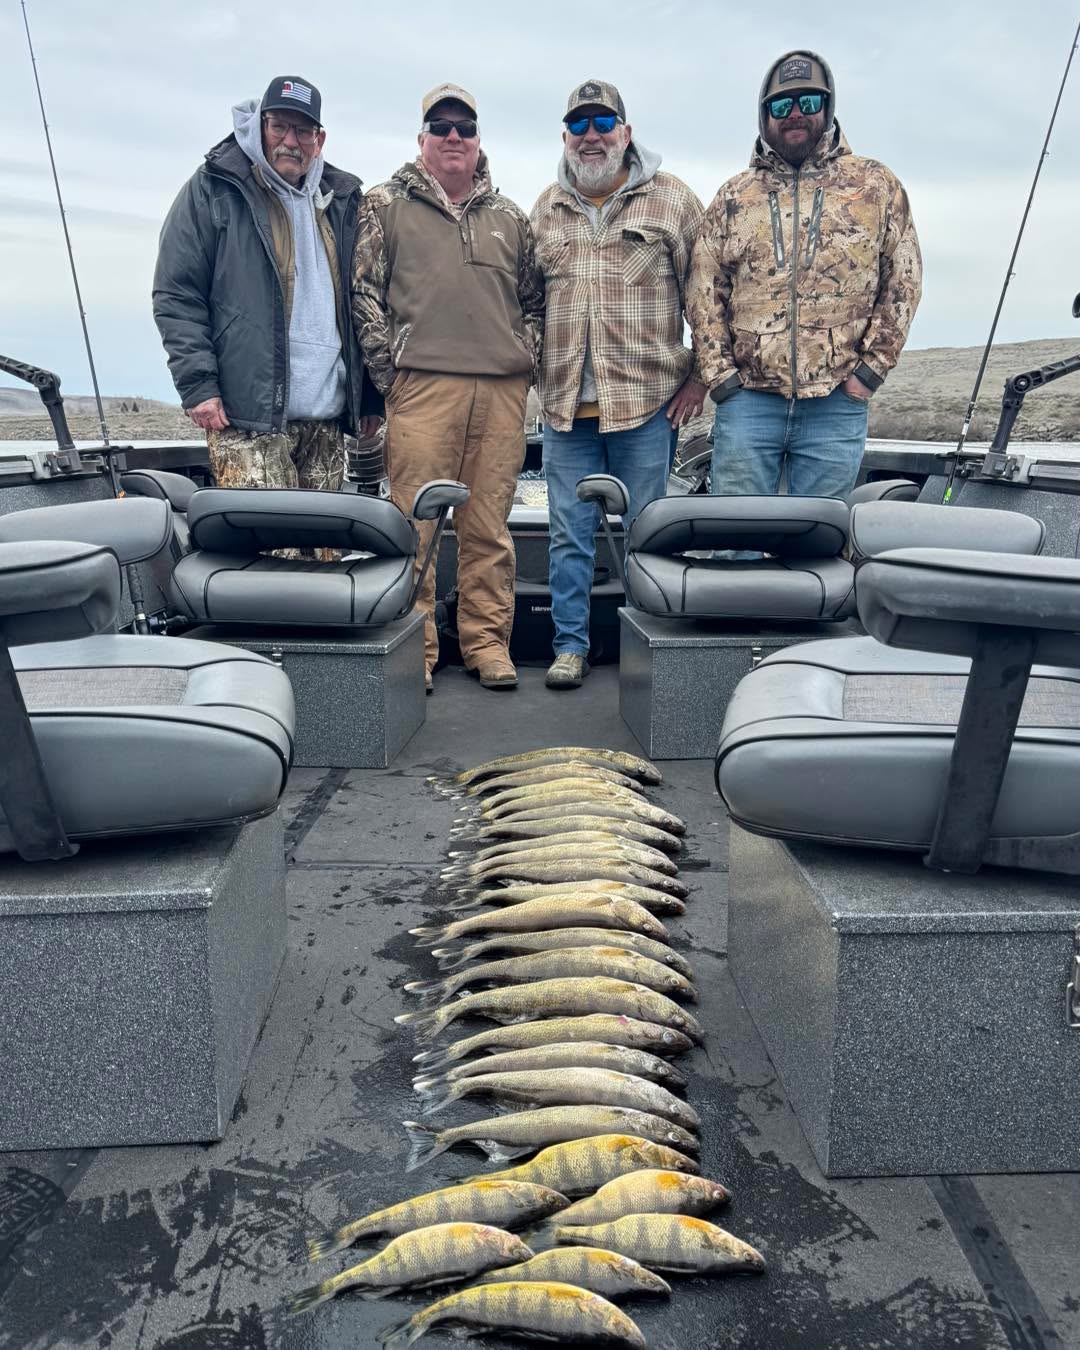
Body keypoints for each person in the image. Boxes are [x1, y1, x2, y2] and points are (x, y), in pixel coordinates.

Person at [352, 83, 543, 694]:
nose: (453, 137)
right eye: (441, 127)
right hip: (422, 391)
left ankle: (487, 644)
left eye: (465, 127)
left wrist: (525, 362)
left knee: (489, 528)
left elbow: (535, 302)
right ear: (422, 139)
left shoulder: (511, 217)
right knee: (417, 527)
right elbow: (364, 294)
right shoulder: (383, 205)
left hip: (502, 395)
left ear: (479, 140)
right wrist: (393, 378)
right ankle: (418, 650)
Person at [688, 51, 922, 506]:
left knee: (818, 537)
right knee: (735, 535)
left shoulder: (875, 186)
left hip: (835, 405)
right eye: (781, 105)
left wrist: (869, 373)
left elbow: (903, 280)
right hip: (748, 404)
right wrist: (721, 379)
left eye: (808, 101)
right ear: (764, 116)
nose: (795, 113)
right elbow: (703, 290)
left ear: (828, 107)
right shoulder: (734, 196)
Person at [532, 80, 704, 691]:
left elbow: (706, 297)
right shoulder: (545, 209)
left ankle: (644, 648)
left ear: (626, 133)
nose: (592, 136)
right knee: (567, 537)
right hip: (565, 412)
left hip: (646, 408)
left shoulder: (673, 201)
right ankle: (569, 648)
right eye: (579, 125)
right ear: (565, 137)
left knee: (646, 534)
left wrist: (700, 378)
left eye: (603, 123)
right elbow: (529, 307)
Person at [153, 75, 381, 493]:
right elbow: (176, 293)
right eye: (280, 127)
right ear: (261, 125)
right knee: (264, 536)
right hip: (245, 420)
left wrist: (367, 397)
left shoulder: (345, 200)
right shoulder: (213, 188)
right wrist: (198, 386)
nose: (290, 141)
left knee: (324, 538)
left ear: (319, 140)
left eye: (303, 131)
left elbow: (363, 301)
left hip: (325, 422)